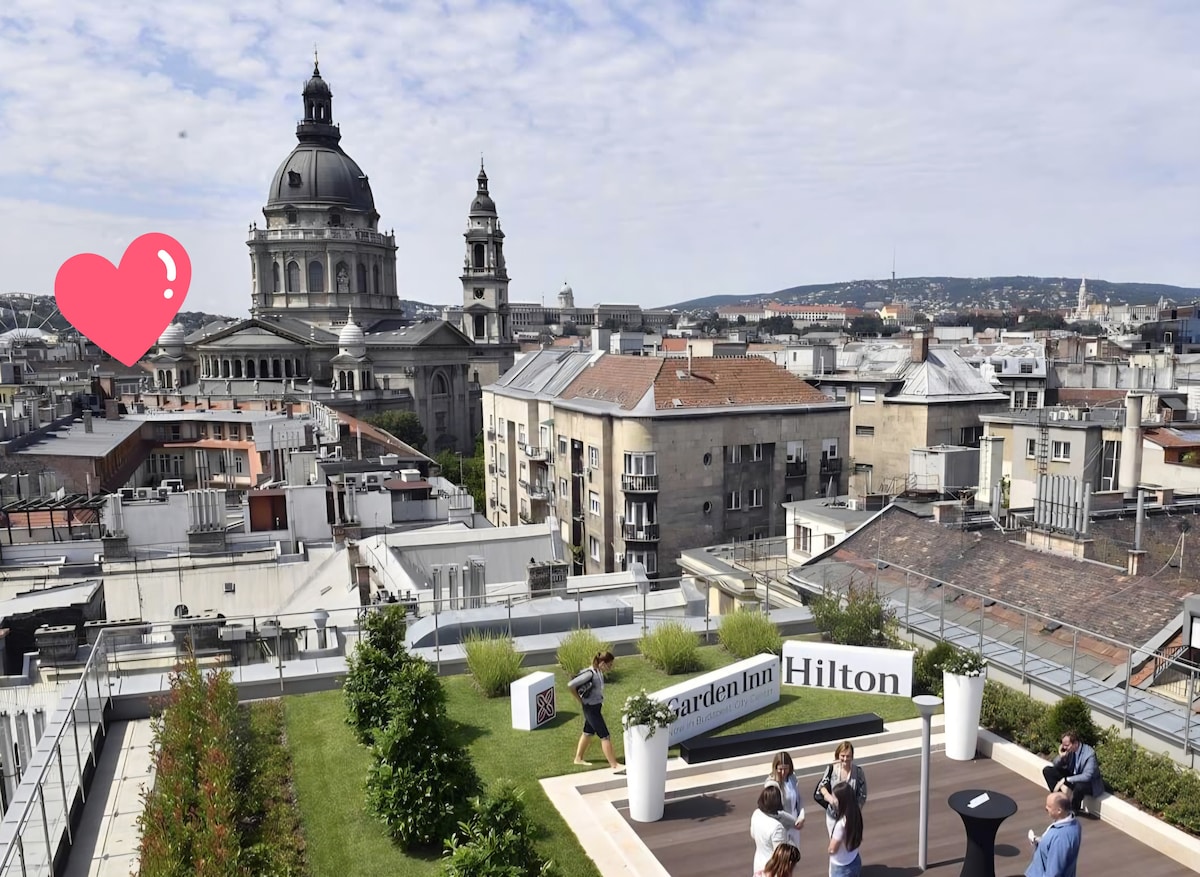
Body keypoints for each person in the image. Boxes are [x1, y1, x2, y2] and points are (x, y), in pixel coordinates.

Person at [568, 651, 623, 772]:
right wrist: (580, 700)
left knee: (588, 732)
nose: (610, 667)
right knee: (605, 735)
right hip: (591, 709)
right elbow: (571, 685)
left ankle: (578, 758)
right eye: (609, 664)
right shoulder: (590, 673)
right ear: (602, 663)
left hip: (595, 707)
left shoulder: (599, 672)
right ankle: (614, 764)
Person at [1041, 730, 1103, 815]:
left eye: (1066, 745)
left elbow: (1087, 776)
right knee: (1047, 771)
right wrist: (1061, 756)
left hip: (1089, 783)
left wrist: (1066, 779)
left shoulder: (1089, 754)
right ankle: (1060, 801)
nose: (1064, 747)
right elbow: (1055, 764)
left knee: (1079, 787)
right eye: (1063, 745)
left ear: (1075, 743)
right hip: (1073, 775)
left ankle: (1074, 809)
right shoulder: (1069, 751)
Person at [815, 740, 868, 835]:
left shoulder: (858, 772)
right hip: (833, 816)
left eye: (848, 756)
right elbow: (822, 786)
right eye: (842, 756)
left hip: (850, 817)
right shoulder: (832, 769)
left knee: (849, 842)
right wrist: (829, 798)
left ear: (852, 757)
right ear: (838, 755)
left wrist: (855, 811)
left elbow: (862, 795)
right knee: (835, 841)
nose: (845, 759)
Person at [1025, 791, 1082, 877]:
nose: (1046, 808)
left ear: (1059, 810)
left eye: (1049, 806)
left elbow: (1053, 873)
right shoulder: (1075, 823)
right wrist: (1041, 841)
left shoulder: (1060, 838)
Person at [751, 784, 802, 876]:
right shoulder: (777, 827)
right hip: (772, 870)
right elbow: (780, 856)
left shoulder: (756, 814)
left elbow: (753, 834)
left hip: (758, 865)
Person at [827, 782, 863, 877]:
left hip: (841, 868)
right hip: (854, 860)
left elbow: (832, 849)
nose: (833, 800)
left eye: (835, 798)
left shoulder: (840, 825)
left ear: (841, 801)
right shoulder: (856, 814)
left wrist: (829, 850)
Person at [765, 751, 803, 827]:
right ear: (775, 768)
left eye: (786, 769)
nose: (783, 772)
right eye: (780, 769)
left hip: (795, 824)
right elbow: (775, 811)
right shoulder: (771, 784)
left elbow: (798, 799)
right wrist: (793, 821)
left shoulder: (792, 778)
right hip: (781, 826)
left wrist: (802, 816)